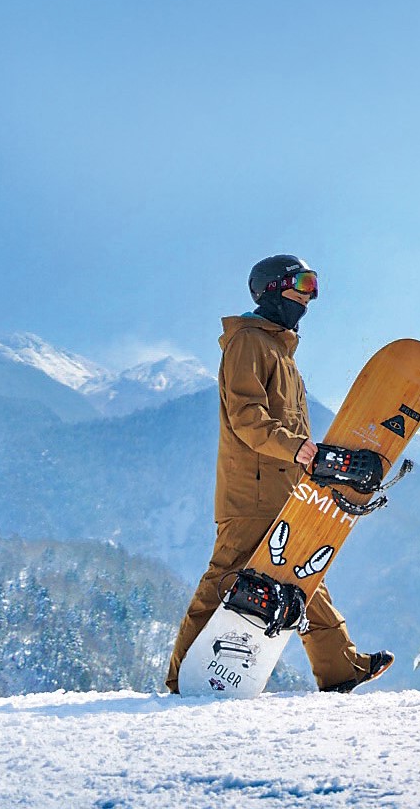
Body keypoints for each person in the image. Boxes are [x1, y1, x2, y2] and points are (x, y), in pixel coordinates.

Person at [165, 253, 392, 694]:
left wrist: (310, 466)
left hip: (284, 488)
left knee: (301, 572)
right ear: (273, 288)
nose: (311, 295)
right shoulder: (248, 343)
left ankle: (340, 665)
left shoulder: (279, 351)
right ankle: (181, 679)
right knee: (224, 580)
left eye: (315, 285)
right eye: (304, 283)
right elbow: (247, 416)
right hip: (250, 493)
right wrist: (297, 448)